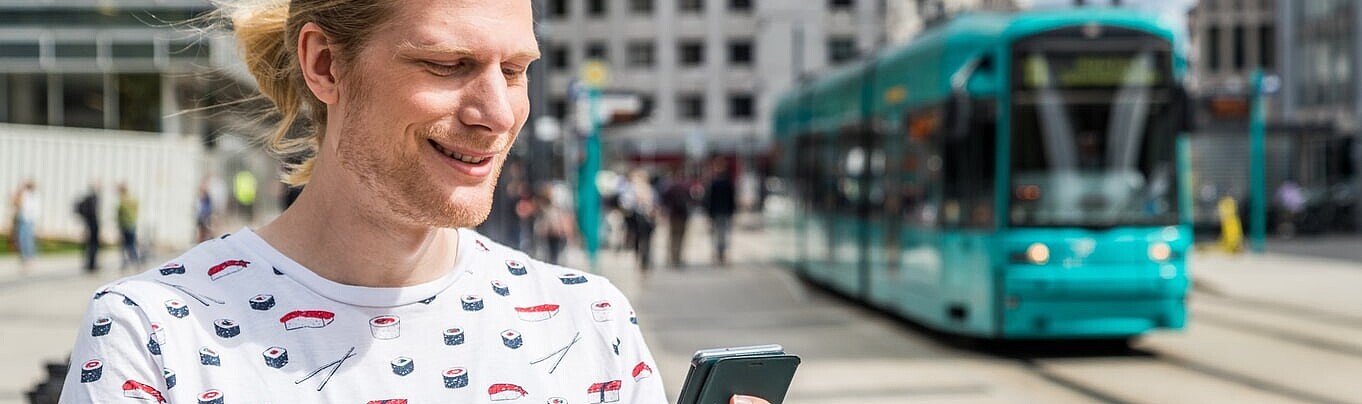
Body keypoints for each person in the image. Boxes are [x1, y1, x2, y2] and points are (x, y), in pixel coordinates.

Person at [61, 2, 771, 403]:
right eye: (448, 64)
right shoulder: (154, 335)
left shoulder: (590, 321)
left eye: (515, 70)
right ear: (325, 64)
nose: (497, 114)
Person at [620, 168, 659, 272]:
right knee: (640, 240)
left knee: (644, 240)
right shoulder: (633, 189)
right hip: (637, 218)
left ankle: (644, 260)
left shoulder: (646, 189)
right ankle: (641, 260)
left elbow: (655, 203)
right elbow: (626, 204)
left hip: (644, 218)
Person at [660, 168, 696, 267]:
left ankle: (673, 256)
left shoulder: (670, 187)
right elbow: (691, 199)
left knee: (673, 236)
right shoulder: (685, 186)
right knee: (680, 237)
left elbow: (664, 200)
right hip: (683, 215)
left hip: (673, 215)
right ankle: (678, 257)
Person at [705, 159, 738, 265]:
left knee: (718, 233)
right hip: (724, 211)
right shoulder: (727, 182)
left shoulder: (714, 182)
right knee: (723, 233)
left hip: (718, 211)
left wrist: (709, 212)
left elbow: (710, 199)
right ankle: (721, 253)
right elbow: (731, 198)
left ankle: (719, 253)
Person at [11, 180, 39, 274]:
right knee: (22, 239)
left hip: (28, 219)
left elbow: (25, 206)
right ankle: (25, 258)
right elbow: (16, 203)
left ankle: (29, 258)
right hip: (23, 218)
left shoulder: (33, 195)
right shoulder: (25, 194)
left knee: (27, 239)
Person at [74, 183, 101, 274]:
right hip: (93, 225)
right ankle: (91, 264)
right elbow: (93, 212)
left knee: (90, 245)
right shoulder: (93, 198)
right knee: (93, 245)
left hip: (89, 224)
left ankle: (90, 264)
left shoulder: (90, 198)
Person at [116, 182, 142, 270]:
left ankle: (125, 263)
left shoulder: (123, 200)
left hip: (125, 225)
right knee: (132, 244)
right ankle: (136, 261)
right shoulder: (133, 199)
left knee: (125, 245)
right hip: (132, 224)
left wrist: (120, 223)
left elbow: (121, 214)